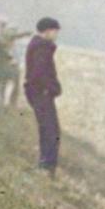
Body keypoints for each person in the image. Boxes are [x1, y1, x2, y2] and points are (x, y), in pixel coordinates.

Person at [23, 16, 63, 171]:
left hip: (37, 93)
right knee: (51, 131)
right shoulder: (42, 47)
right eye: (55, 31)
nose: (56, 35)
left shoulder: (38, 45)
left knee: (47, 130)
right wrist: (51, 88)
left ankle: (46, 164)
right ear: (47, 31)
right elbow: (40, 73)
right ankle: (47, 166)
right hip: (42, 94)